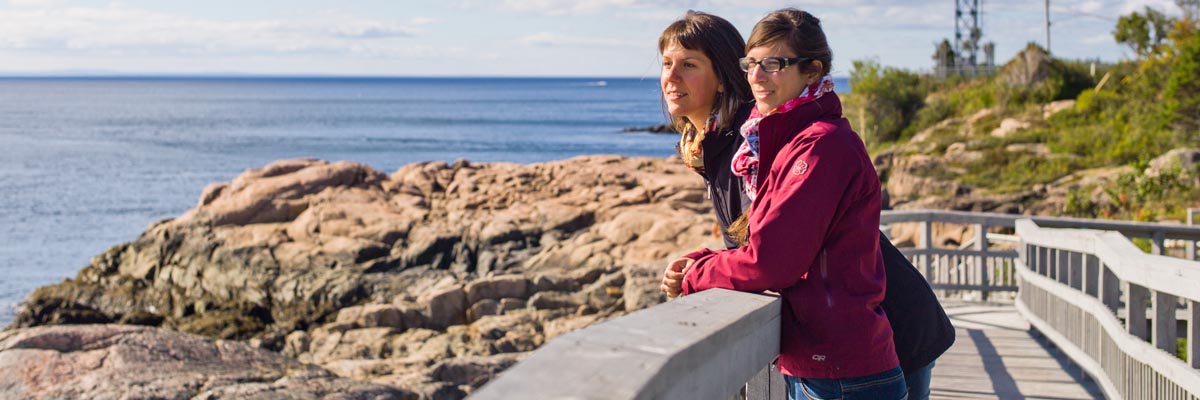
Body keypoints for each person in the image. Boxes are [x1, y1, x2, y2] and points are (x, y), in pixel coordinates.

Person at [657, 9, 954, 400]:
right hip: (843, 340)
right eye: (666, 64)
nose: (671, 77)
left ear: (723, 75)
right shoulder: (734, 142)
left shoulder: (758, 142)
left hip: (876, 335)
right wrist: (705, 262)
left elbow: (771, 257)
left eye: (689, 64)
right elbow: (762, 241)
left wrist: (700, 271)